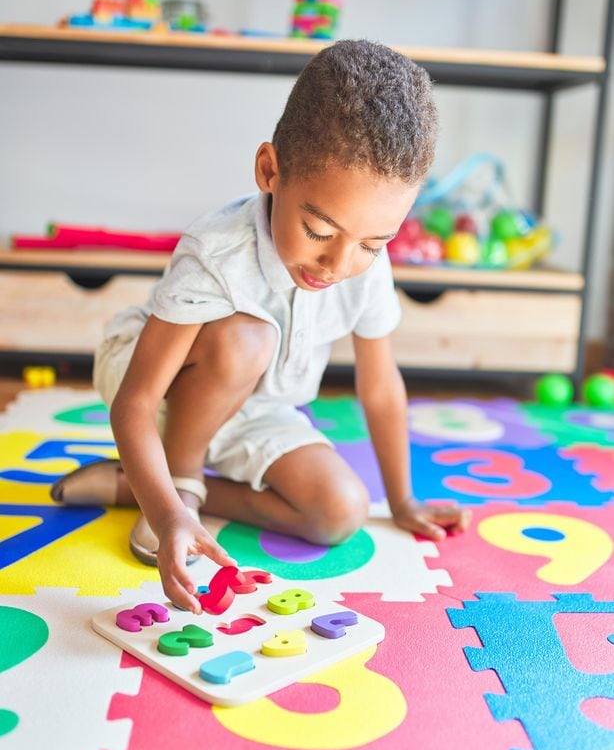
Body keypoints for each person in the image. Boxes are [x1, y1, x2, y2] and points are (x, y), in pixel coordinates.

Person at [51, 39, 470, 614]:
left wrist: (401, 499)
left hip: (260, 405)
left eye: (372, 243)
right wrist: (169, 513)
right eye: (320, 231)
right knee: (249, 338)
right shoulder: (216, 251)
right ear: (270, 170)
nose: (338, 264)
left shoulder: (364, 268)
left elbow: (380, 387)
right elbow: (135, 402)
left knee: (339, 511)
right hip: (163, 377)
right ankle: (179, 483)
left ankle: (134, 486)